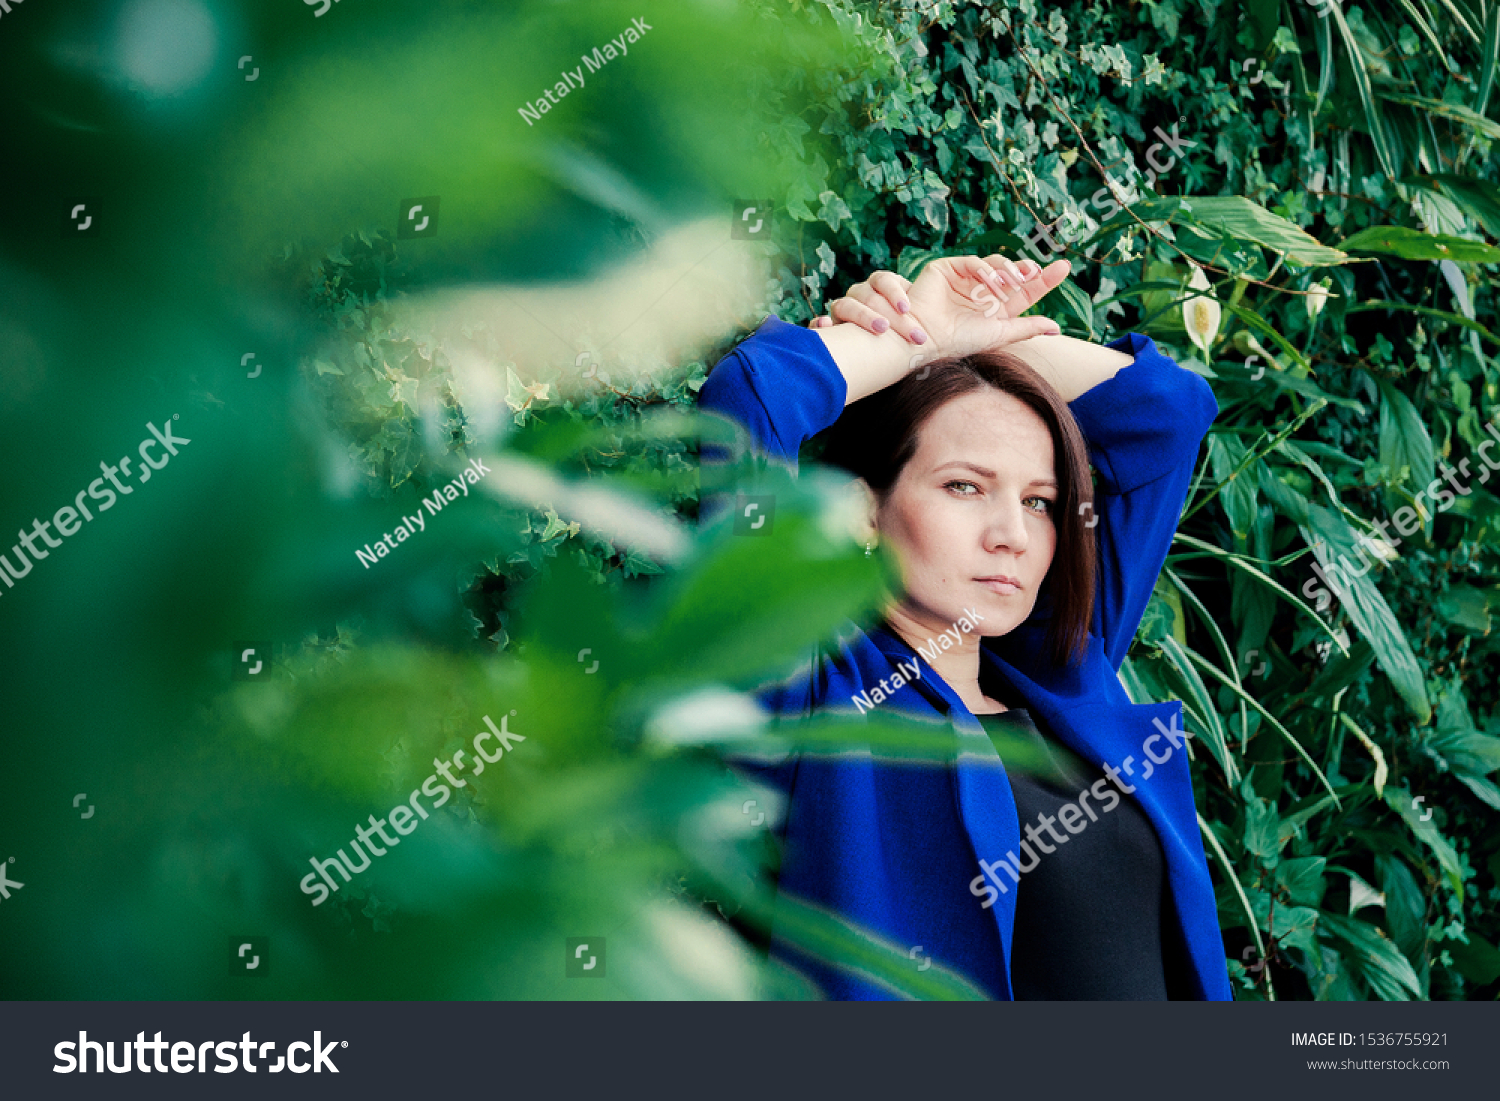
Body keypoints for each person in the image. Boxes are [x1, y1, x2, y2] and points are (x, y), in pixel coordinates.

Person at [697, 253, 1230, 1000]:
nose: (1012, 532)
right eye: (964, 486)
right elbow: (753, 401)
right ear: (862, 512)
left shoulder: (1068, 674)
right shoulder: (805, 700)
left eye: (1040, 500)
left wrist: (978, 340)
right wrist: (917, 338)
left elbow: (1167, 412)